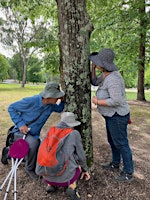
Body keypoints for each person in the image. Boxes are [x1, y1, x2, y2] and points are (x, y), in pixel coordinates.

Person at [90, 48, 134, 182]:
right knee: (113, 141)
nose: (96, 64)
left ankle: (128, 172)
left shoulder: (114, 79)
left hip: (117, 116)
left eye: (97, 63)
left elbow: (116, 100)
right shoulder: (105, 74)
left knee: (121, 143)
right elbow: (94, 82)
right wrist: (93, 68)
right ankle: (115, 163)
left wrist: (97, 101)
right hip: (111, 116)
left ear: (103, 64)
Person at [7, 81, 65, 180]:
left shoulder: (50, 105)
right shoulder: (31, 101)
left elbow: (59, 109)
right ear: (48, 97)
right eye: (56, 96)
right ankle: (29, 169)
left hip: (34, 134)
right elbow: (11, 108)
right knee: (34, 144)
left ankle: (8, 153)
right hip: (20, 132)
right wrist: (21, 124)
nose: (58, 98)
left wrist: (63, 101)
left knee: (40, 146)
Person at [36, 112, 90, 200]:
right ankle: (71, 187)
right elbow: (81, 155)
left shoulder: (50, 131)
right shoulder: (74, 133)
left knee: (54, 158)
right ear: (72, 124)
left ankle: (51, 185)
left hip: (46, 174)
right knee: (76, 164)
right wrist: (85, 169)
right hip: (66, 178)